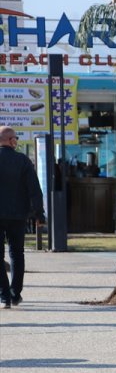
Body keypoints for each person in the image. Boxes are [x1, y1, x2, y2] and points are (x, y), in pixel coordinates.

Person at [0, 127, 45, 309]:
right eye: (16, 138)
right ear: (11, 140)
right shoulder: (23, 161)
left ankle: (4, 296)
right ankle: (15, 293)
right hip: (18, 215)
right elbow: (34, 190)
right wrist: (38, 214)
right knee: (17, 253)